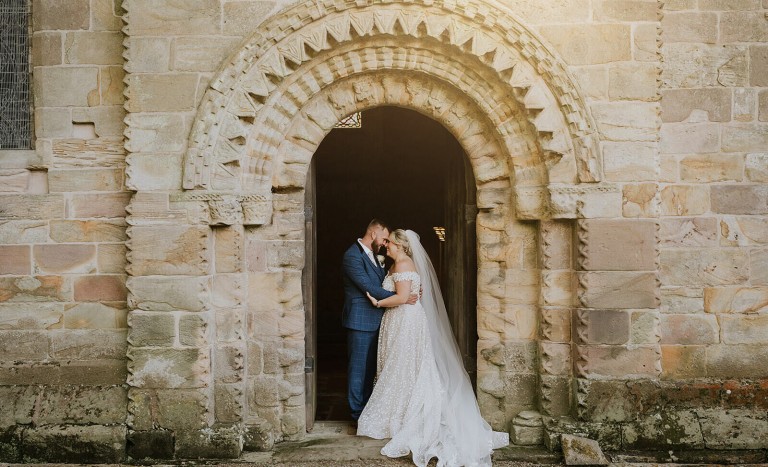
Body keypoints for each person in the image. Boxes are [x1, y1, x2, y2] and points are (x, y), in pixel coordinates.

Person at [358, 229, 509, 467]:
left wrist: (378, 301)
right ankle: (400, 411)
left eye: (391, 243)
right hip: (405, 319)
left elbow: (401, 297)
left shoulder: (403, 265)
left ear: (401, 246)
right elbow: (413, 293)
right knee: (405, 365)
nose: (386, 246)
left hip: (404, 321)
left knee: (401, 365)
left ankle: (401, 416)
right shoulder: (405, 264)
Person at [342, 219, 417, 423]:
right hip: (360, 321)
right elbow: (368, 286)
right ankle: (357, 414)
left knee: (372, 370)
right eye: (384, 238)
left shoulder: (377, 257)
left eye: (388, 241)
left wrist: (405, 291)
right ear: (373, 234)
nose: (385, 243)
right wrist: (402, 297)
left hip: (382, 320)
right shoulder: (352, 256)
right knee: (358, 370)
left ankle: (368, 410)